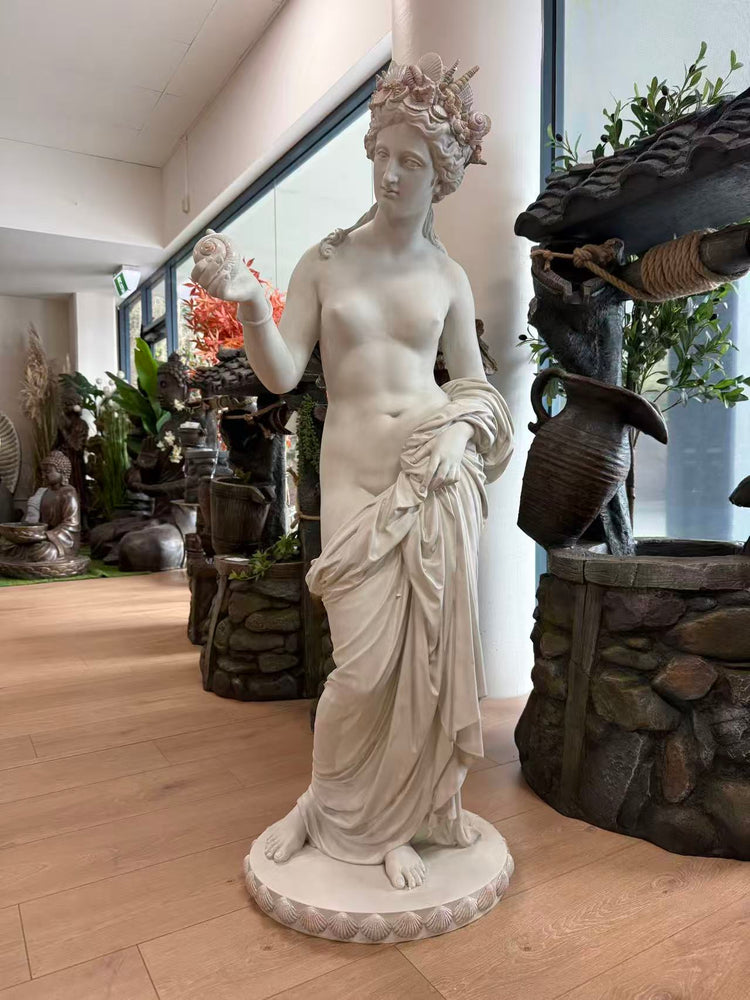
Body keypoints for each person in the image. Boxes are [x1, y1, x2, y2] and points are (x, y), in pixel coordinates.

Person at [191, 53, 514, 891]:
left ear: (441, 177)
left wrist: (459, 433)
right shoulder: (326, 261)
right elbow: (280, 374)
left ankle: (397, 825)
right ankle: (322, 809)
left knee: (418, 672)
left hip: (434, 483)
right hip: (356, 482)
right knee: (362, 670)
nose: (391, 173)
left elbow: (474, 384)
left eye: (413, 161)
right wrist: (250, 303)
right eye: (383, 154)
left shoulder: (447, 277)